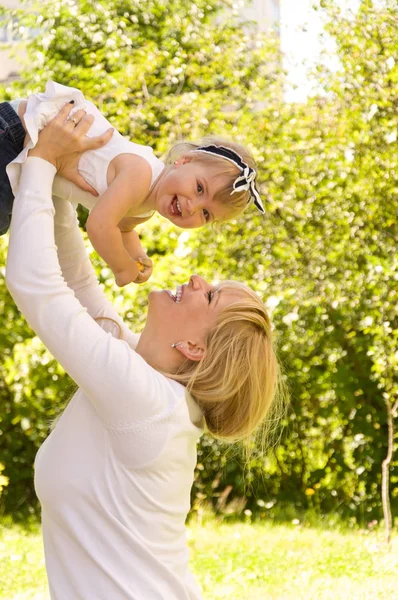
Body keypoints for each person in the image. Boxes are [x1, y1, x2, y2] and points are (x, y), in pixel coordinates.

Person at [6, 104, 285, 599]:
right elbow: (77, 285)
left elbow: (38, 288)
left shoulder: (147, 404)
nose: (198, 279)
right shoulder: (149, 389)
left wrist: (44, 164)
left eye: (212, 295)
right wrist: (57, 175)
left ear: (195, 347)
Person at [1, 80, 265, 286]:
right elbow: (100, 225)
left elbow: (123, 228)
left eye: (206, 214)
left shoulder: (145, 208)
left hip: (25, 158)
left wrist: (137, 256)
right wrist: (122, 267)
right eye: (199, 188)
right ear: (184, 160)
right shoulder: (140, 173)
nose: (193, 207)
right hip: (15, 133)